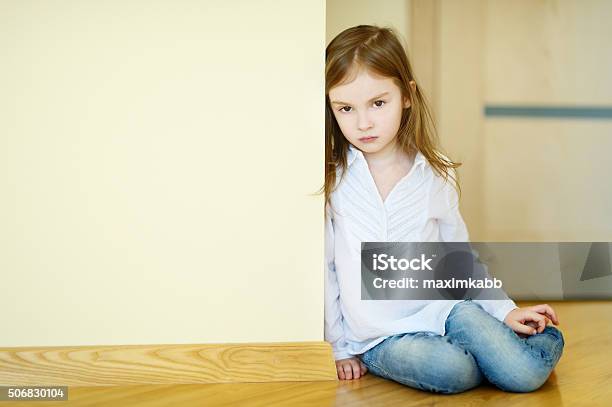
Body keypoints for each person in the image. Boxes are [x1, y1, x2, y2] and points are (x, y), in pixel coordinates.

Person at [323, 25, 564, 394]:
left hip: (448, 311)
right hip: (380, 339)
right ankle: (489, 357)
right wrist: (339, 347)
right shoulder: (334, 180)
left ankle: (539, 343)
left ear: (406, 95)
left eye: (378, 103)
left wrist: (505, 311)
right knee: (451, 371)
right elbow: (327, 271)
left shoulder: (435, 175)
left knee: (524, 375)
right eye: (345, 108)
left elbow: (459, 259)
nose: (363, 122)